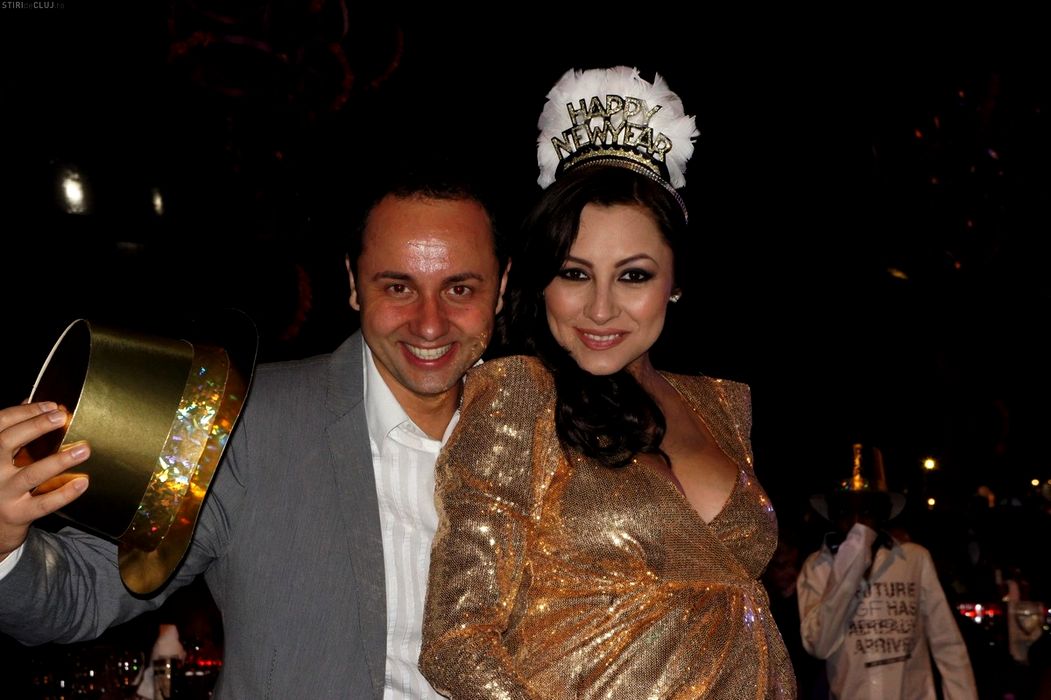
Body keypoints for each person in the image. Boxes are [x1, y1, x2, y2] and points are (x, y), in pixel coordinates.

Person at [0, 158, 510, 699]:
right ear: (354, 285)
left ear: (502, 288)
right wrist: (5, 543)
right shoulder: (245, 424)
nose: (429, 324)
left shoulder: (552, 432)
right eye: (398, 288)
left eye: (459, 289)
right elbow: (77, 593)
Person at [419, 66, 795, 699]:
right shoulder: (519, 396)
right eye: (574, 274)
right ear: (542, 281)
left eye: (633, 276)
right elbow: (457, 643)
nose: (600, 309)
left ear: (675, 281)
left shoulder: (720, 405)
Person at [796, 444, 978, 699]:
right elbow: (819, 645)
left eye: (866, 512)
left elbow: (947, 643)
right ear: (833, 514)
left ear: (881, 513)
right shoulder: (817, 567)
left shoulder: (914, 559)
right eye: (846, 511)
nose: (856, 523)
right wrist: (847, 571)